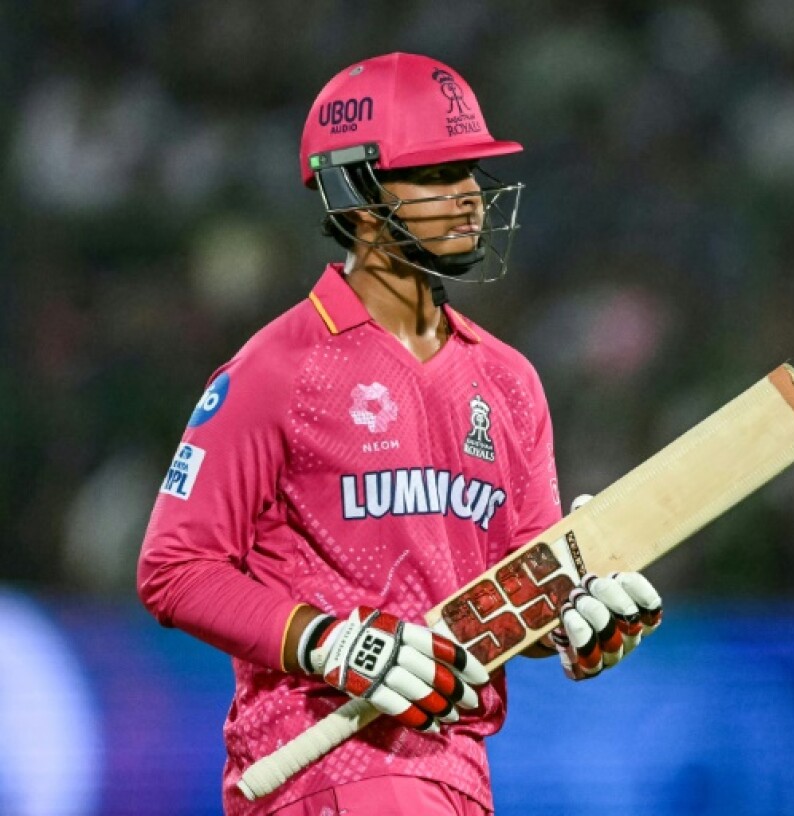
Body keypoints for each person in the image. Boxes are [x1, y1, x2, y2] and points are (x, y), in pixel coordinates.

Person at [136, 52, 663, 816]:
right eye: (436, 176)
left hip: (460, 774)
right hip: (328, 768)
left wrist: (576, 619)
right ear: (355, 195)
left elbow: (514, 598)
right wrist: (329, 643)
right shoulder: (278, 369)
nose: (469, 196)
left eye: (469, 171)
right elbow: (175, 567)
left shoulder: (509, 380)